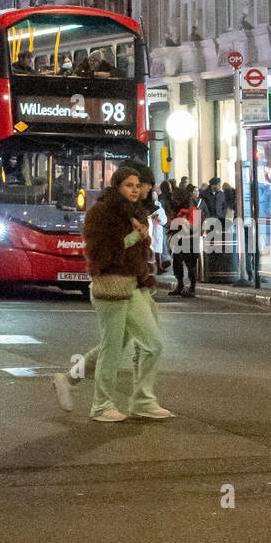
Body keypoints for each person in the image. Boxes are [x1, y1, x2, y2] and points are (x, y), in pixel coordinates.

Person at [76, 165, 171, 423]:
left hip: (134, 284)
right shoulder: (101, 213)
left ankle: (143, 401)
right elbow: (100, 253)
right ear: (117, 186)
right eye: (129, 185)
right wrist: (132, 238)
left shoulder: (138, 212)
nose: (135, 190)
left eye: (137, 186)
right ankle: (101, 405)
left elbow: (140, 254)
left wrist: (145, 276)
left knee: (153, 344)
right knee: (113, 348)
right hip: (110, 284)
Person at [170, 181, 201, 297]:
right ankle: (180, 284)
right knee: (177, 263)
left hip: (191, 240)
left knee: (191, 264)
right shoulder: (179, 211)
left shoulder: (194, 209)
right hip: (179, 239)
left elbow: (196, 227)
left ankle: (192, 288)